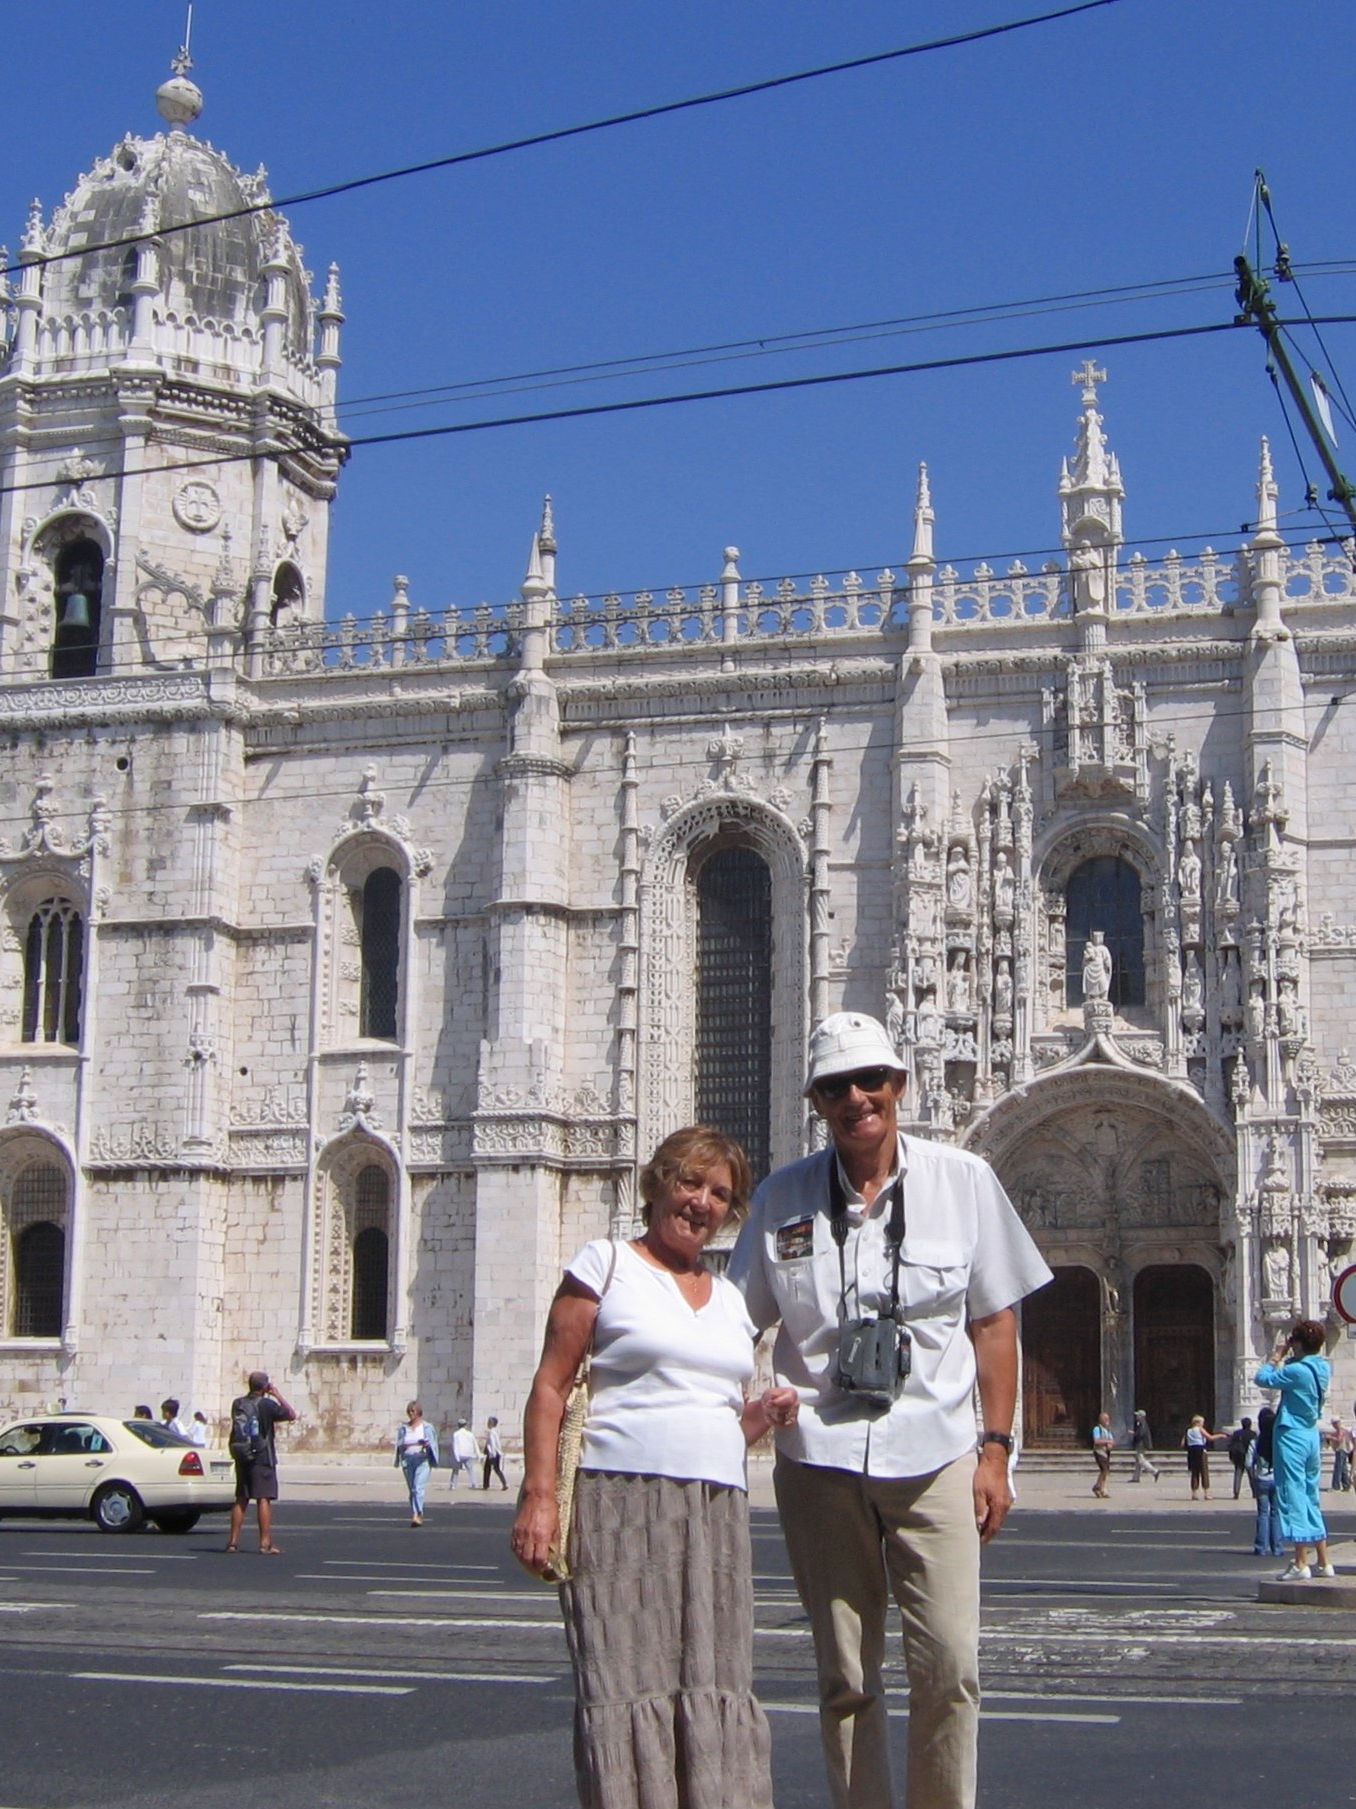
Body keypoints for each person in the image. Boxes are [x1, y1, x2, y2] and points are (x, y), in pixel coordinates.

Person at [728, 1011, 1052, 1809]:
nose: (856, 1098)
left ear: (899, 1084)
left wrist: (997, 1450)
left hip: (935, 1453)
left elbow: (995, 1321)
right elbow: (733, 1324)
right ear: (815, 1100)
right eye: (836, 1086)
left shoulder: (963, 1180)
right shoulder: (781, 1197)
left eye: (870, 1079)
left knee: (952, 1666)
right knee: (844, 1673)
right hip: (818, 1459)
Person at [511, 1125, 798, 1809]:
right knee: (624, 1678)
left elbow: (719, 1421)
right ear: (659, 1183)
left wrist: (765, 1413)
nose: (702, 1202)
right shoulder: (605, 1263)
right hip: (620, 1498)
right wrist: (539, 1497)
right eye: (690, 1182)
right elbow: (551, 1385)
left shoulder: (731, 1301)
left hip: (716, 1509)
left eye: (720, 1194)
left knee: (714, 1678)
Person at [1255, 1319, 1335, 1579]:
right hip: (1311, 1435)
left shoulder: (1296, 1371)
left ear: (1298, 1343)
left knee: (1293, 1496)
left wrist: (1277, 1354)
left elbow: (1262, 1378)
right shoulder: (1322, 1367)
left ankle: (1301, 1562)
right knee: (1311, 1495)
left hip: (1291, 1435)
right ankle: (1324, 1561)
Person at [225, 1371, 297, 1554]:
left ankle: (233, 1542)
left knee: (241, 1498)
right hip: (262, 1457)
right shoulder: (267, 1404)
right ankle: (265, 1543)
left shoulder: (238, 1403)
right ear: (265, 1387)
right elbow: (291, 1414)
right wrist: (277, 1394)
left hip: (242, 1455)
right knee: (263, 1498)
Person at [1248, 1406, 1285, 1558]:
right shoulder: (1279, 1441)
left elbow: (1248, 1463)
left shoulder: (1256, 1441)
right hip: (1277, 1479)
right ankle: (1277, 1547)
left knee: (1263, 1513)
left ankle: (1260, 1547)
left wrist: (1253, 1479)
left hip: (1261, 1479)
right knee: (1276, 1513)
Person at [394, 1400, 439, 1526]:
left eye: (413, 1411)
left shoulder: (427, 1427)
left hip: (422, 1460)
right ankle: (417, 1512)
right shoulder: (404, 1428)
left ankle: (417, 1514)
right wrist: (403, 1447)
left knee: (418, 1488)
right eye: (409, 1411)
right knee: (412, 1490)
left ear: (419, 1412)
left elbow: (433, 1443)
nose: (411, 1413)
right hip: (408, 1461)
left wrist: (426, 1445)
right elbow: (400, 1444)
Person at [1181, 1415, 1225, 1499]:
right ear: (1198, 1423)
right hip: (1201, 1451)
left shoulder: (1188, 1431)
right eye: (1202, 1422)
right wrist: (1220, 1436)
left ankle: (1194, 1493)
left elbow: (1182, 1444)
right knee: (1204, 1471)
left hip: (1191, 1452)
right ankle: (1206, 1492)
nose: (1203, 1424)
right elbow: (1210, 1438)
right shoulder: (1200, 1429)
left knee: (1194, 1472)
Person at [1129, 1408, 1160, 1482]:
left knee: (1141, 1460)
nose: (1136, 1417)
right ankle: (1136, 1477)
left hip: (1141, 1445)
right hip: (1140, 1444)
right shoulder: (1140, 1424)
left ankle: (1154, 1471)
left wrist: (1134, 1433)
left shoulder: (1143, 1424)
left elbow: (1141, 1434)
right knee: (1138, 1461)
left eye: (1138, 1415)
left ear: (1141, 1417)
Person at [1227, 1416, 1254, 1499]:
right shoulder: (1253, 1434)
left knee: (1238, 1474)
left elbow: (1231, 1445)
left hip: (1238, 1456)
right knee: (1251, 1475)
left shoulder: (1236, 1433)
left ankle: (1236, 1492)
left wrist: (1231, 1456)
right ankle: (1255, 1492)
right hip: (1249, 1456)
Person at [448, 1419, 479, 1489]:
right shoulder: (470, 1434)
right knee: (471, 1470)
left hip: (459, 1454)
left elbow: (455, 1445)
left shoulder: (456, 1434)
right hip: (468, 1454)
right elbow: (475, 1444)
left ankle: (453, 1485)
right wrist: (478, 1454)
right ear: (465, 1425)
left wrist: (456, 1456)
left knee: (455, 1470)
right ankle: (475, 1484)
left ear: (458, 1425)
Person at [1091, 1411, 1114, 1497]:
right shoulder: (1097, 1429)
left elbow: (1112, 1441)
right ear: (1101, 1420)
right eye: (1106, 1419)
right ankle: (1097, 1486)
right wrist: (1107, 1442)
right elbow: (1096, 1441)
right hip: (1099, 1452)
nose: (1108, 1421)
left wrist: (1110, 1445)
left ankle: (1102, 1489)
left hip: (1106, 1452)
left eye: (1108, 1419)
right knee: (1104, 1470)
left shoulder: (1108, 1430)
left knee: (1105, 1471)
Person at [481, 1416, 508, 1491]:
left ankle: (487, 1485)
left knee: (490, 1469)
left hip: (492, 1453)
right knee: (493, 1469)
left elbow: (492, 1443)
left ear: (491, 1423)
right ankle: (487, 1485)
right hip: (496, 1453)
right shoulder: (495, 1431)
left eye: (489, 1422)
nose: (487, 1423)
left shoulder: (491, 1432)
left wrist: (492, 1454)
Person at [1326, 1417, 1353, 1491]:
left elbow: (1339, 1439)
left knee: (1338, 1468)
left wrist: (1330, 1437)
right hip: (1345, 1450)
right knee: (1343, 1468)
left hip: (1341, 1450)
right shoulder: (1344, 1430)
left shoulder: (1340, 1430)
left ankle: (1335, 1486)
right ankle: (1346, 1485)